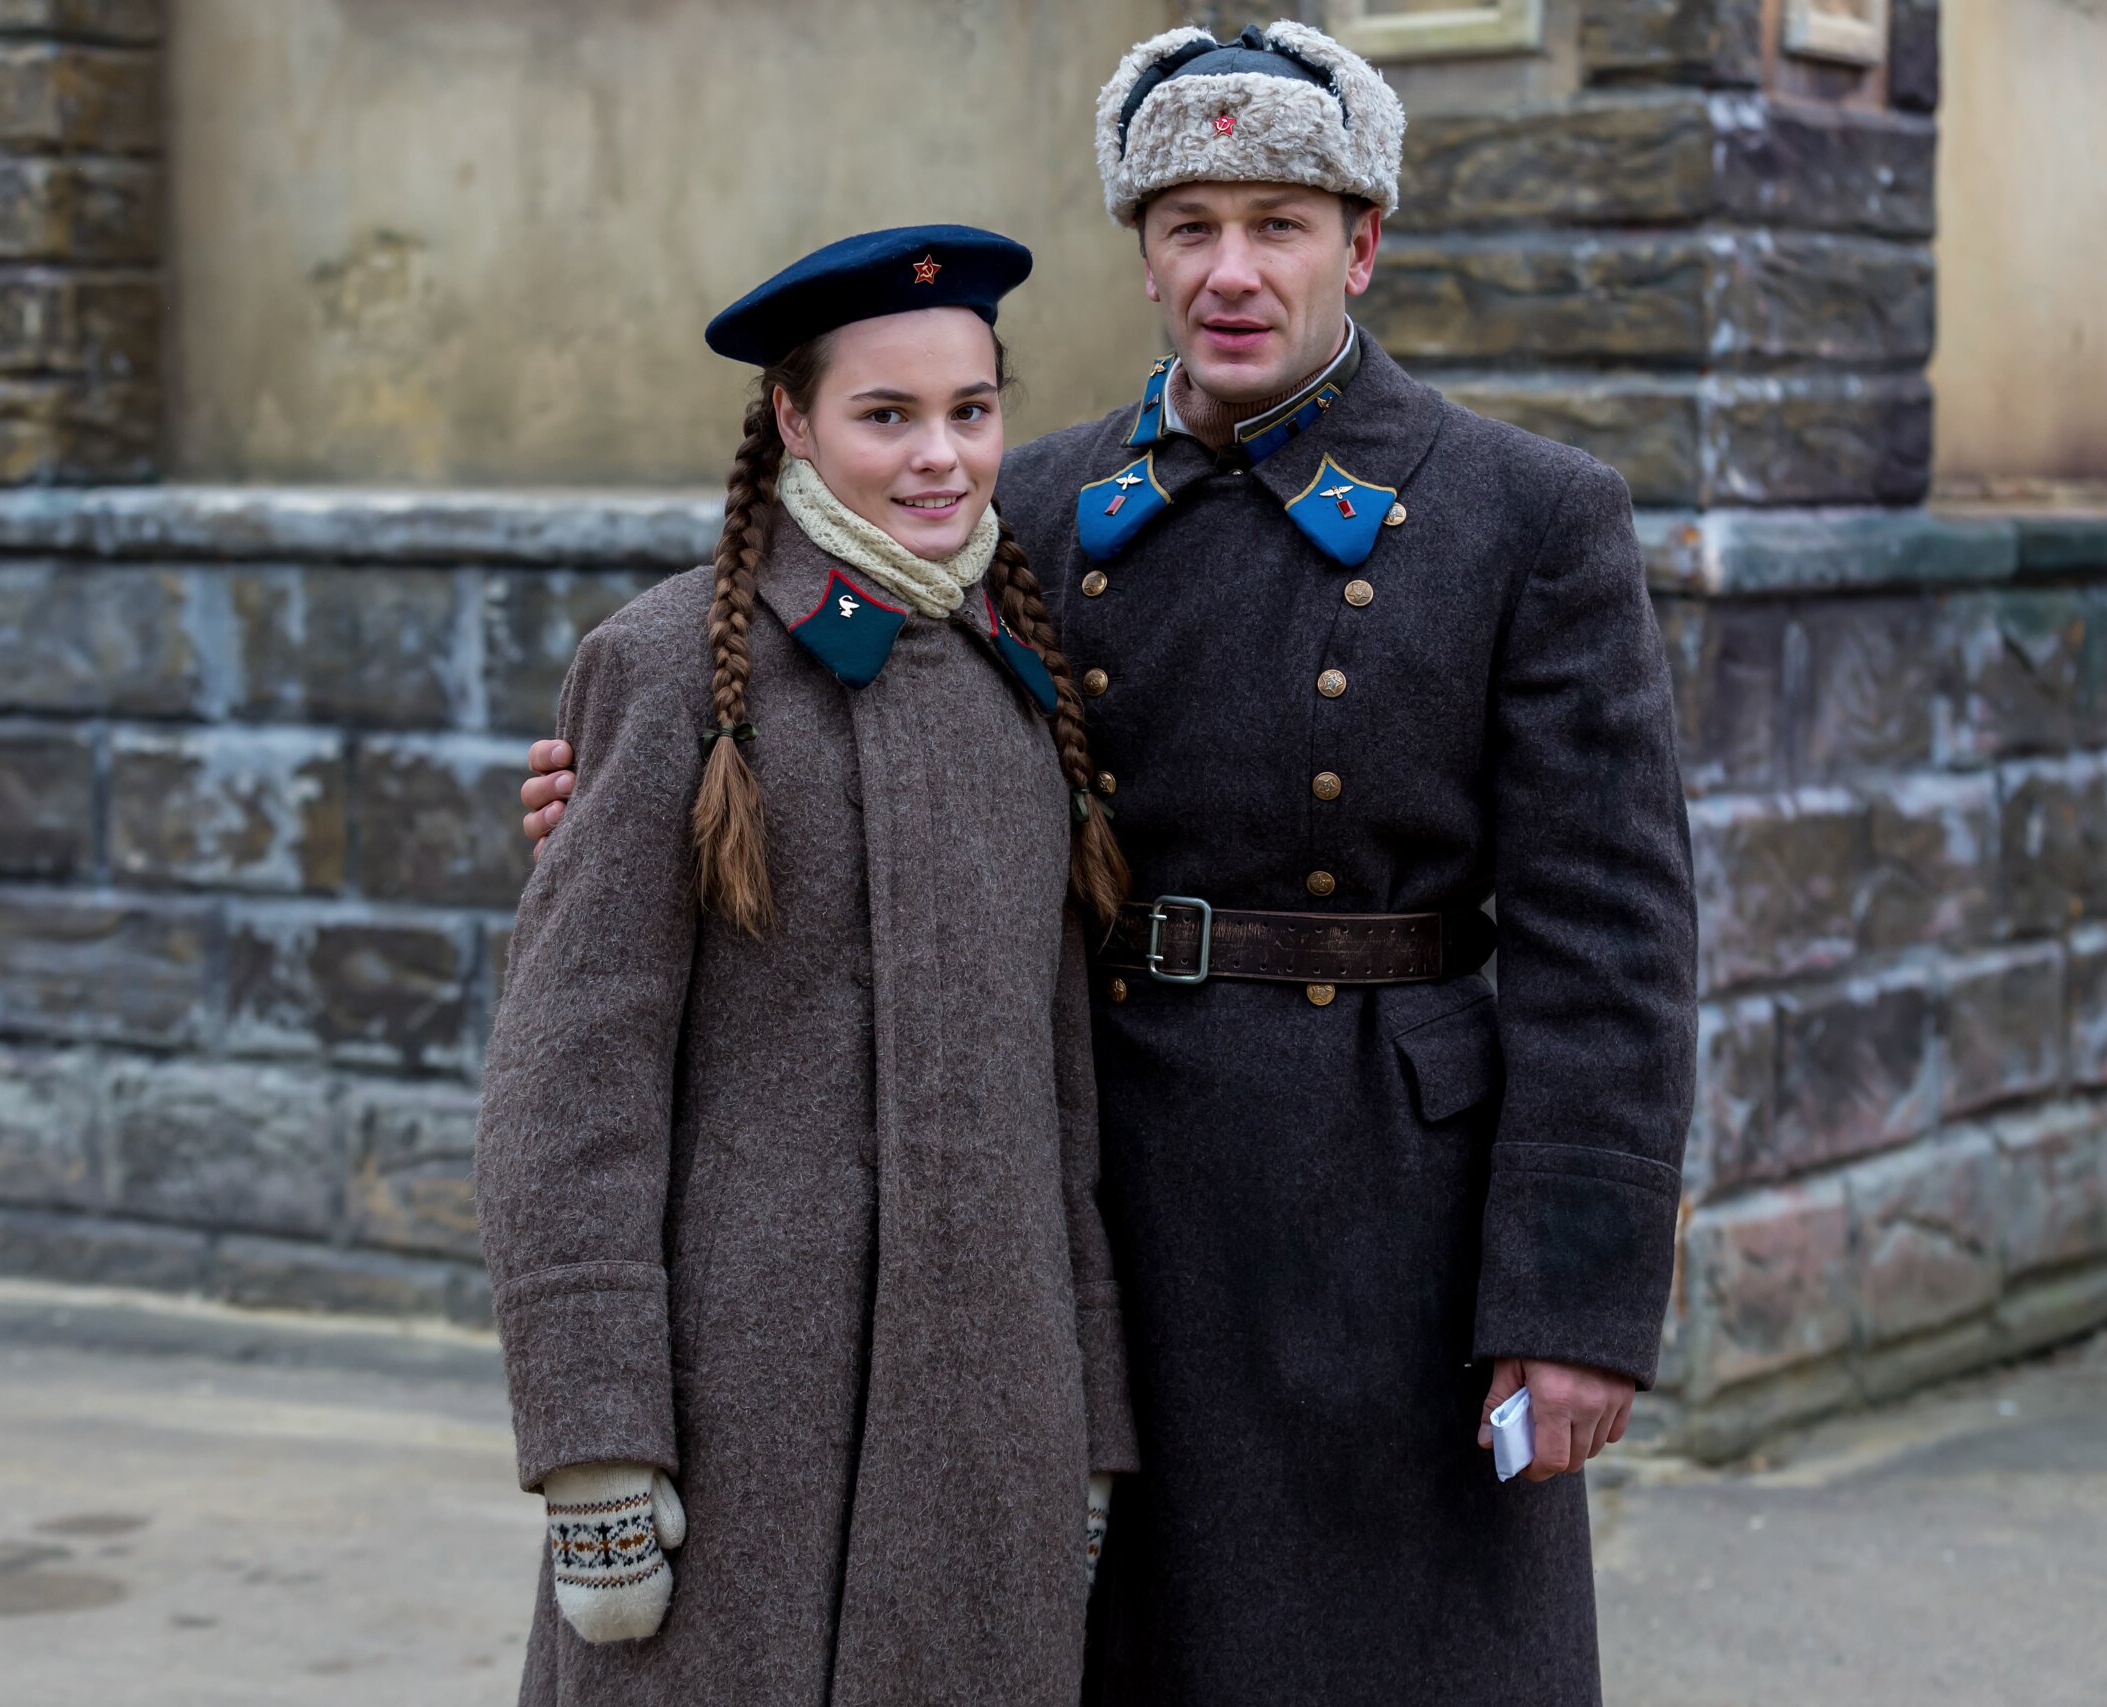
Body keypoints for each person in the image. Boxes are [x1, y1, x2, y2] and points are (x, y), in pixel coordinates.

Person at [522, 23, 1698, 1705]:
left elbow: (1613, 940)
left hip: (1390, 1222)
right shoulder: (1034, 506)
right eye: (1189, 226)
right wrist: (611, 794)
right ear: (1142, 254)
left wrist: (1575, 1296)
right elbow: (799, 709)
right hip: (1088, 1195)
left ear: (1362, 243)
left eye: (1280, 224)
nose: (1232, 271)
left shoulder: (1528, 513)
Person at [475, 225, 1137, 1707]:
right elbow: (570, 1084)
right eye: (885, 414)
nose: (940, 458)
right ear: (790, 418)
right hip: (735, 1423)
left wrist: (1084, 1425)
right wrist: (593, 1446)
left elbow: (1062, 1106)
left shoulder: (1020, 688)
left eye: (971, 410)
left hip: (988, 1429)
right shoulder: (669, 667)